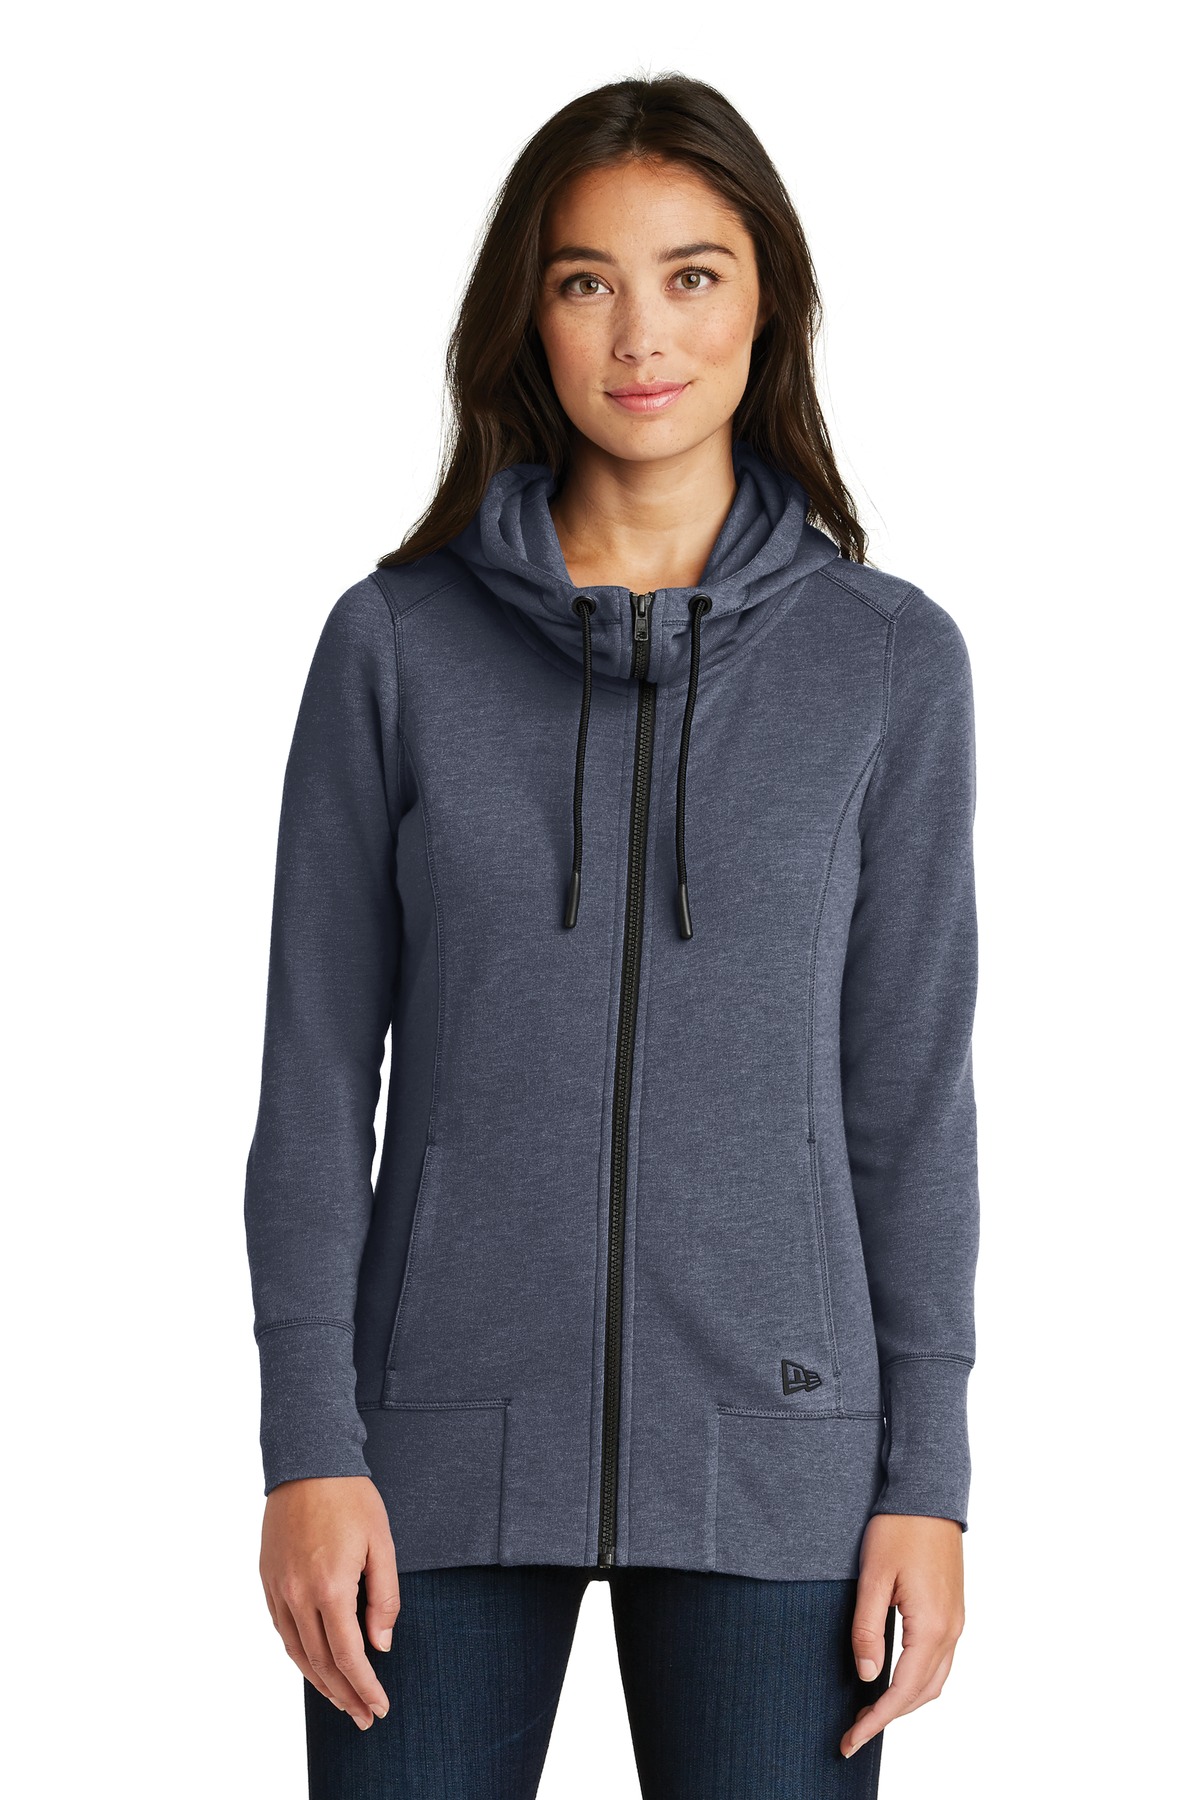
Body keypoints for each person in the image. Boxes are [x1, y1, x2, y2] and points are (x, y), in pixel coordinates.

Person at [243, 71, 980, 1800]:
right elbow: (312, 1085)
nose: (641, 333)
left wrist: (927, 1481)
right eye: (586, 281)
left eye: (691, 275)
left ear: (768, 301)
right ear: (530, 315)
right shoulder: (394, 647)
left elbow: (909, 1103)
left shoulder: (887, 663)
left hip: (785, 1462)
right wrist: (307, 1448)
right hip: (421, 1466)